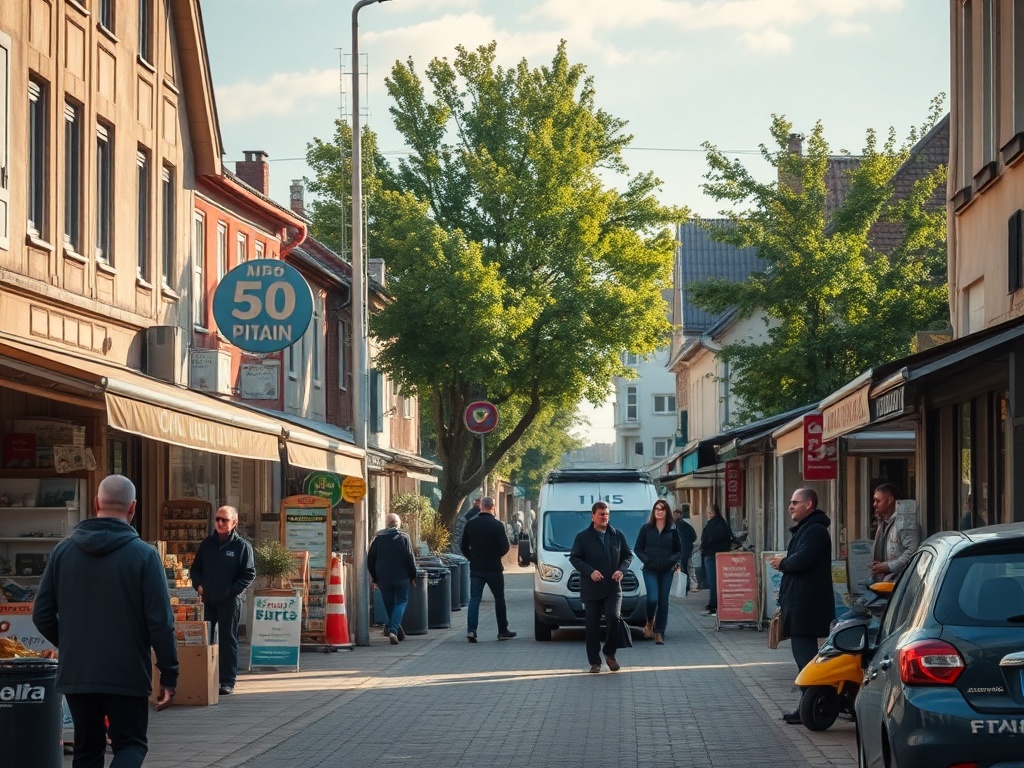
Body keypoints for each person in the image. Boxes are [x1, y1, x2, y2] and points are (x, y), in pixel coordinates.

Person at [32, 474, 178, 768]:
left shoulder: (63, 551)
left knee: (87, 750)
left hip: (78, 672)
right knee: (130, 745)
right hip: (127, 671)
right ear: (133, 507)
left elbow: (42, 614)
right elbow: (160, 623)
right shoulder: (145, 556)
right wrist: (169, 674)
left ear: (96, 503)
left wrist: (72, 644)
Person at [769, 487, 835, 724]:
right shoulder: (807, 529)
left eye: (795, 502)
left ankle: (814, 706)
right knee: (804, 660)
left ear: (809, 504)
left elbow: (802, 560)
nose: (790, 507)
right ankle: (809, 705)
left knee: (806, 660)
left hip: (807, 606)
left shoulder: (815, 531)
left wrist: (783, 563)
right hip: (801, 604)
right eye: (790, 502)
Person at [190, 505, 256, 695]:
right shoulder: (207, 543)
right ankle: (205, 678)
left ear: (234, 523)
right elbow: (196, 569)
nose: (219, 523)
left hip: (229, 601)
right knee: (205, 639)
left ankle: (227, 681)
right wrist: (198, 585)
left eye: (224, 520)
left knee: (228, 640)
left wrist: (231, 591)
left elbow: (249, 574)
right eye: (217, 519)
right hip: (208, 600)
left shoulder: (242, 546)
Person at [569, 500, 634, 673]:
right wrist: (590, 571)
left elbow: (628, 556)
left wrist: (621, 570)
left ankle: (610, 654)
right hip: (592, 588)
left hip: (613, 587)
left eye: (607, 514)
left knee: (613, 618)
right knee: (592, 626)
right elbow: (575, 558)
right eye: (601, 514)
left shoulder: (616, 535)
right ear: (593, 516)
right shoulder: (583, 537)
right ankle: (594, 662)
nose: (604, 517)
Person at [461, 496, 516, 642]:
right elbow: (505, 547)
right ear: (493, 506)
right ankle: (502, 631)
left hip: (476, 568)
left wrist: (472, 557)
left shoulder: (471, 524)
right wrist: (495, 556)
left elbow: (463, 546)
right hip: (494, 568)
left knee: (475, 599)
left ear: (481, 506)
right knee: (499, 598)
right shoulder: (497, 525)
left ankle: (471, 630)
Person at [634, 500, 682, 644]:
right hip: (650, 570)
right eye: (657, 509)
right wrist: (647, 560)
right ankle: (649, 622)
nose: (659, 512)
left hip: (667, 571)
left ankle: (660, 632)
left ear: (666, 512)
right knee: (652, 599)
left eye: (662, 509)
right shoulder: (646, 528)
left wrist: (671, 561)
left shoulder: (672, 529)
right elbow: (638, 548)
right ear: (653, 512)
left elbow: (678, 550)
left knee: (663, 601)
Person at [367, 512, 417, 644]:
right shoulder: (403, 537)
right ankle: (393, 630)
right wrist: (413, 575)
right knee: (402, 601)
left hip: (383, 577)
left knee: (389, 604)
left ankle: (394, 630)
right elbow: (409, 558)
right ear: (398, 524)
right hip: (401, 576)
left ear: (386, 524)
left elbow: (370, 559)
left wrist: (374, 577)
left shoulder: (378, 539)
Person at [869, 483, 921, 582]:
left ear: (890, 500)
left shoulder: (905, 522)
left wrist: (889, 566)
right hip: (889, 581)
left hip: (901, 581)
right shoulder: (885, 522)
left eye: (878, 501)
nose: (874, 504)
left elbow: (913, 551)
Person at [699, 503, 733, 615]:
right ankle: (716, 603)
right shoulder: (722, 523)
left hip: (711, 555)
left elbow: (707, 539)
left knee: (713, 581)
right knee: (717, 581)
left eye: (710, 512)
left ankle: (713, 604)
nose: (708, 515)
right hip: (720, 555)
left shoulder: (713, 525)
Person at [672, 507, 697, 595]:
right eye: (675, 515)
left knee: (683, 567)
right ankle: (685, 585)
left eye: (677, 515)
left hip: (683, 549)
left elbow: (682, 539)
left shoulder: (681, 525)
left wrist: (684, 545)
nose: (675, 516)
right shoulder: (681, 525)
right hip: (685, 548)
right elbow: (693, 536)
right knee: (684, 566)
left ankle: (684, 585)